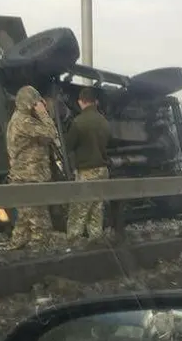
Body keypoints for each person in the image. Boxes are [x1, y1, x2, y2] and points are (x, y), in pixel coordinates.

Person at [6, 85, 59, 249]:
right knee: (40, 223)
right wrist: (43, 112)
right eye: (36, 101)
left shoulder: (19, 119)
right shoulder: (24, 121)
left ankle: (16, 248)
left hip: (25, 177)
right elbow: (51, 133)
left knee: (24, 219)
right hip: (29, 178)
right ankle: (39, 253)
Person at [65, 87, 111, 242]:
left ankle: (73, 244)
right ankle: (95, 241)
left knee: (79, 210)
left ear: (80, 102)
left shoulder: (78, 122)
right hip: (103, 171)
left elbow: (68, 146)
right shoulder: (104, 121)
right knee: (96, 209)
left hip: (86, 172)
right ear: (95, 102)